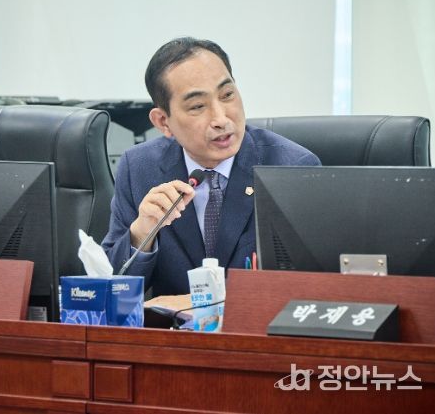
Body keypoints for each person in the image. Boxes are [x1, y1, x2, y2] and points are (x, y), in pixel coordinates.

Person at [102, 37, 321, 296]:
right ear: (163, 122)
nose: (220, 118)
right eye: (197, 106)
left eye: (227, 95)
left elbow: (313, 287)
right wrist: (141, 234)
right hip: (169, 323)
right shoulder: (139, 168)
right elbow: (109, 289)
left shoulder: (292, 168)